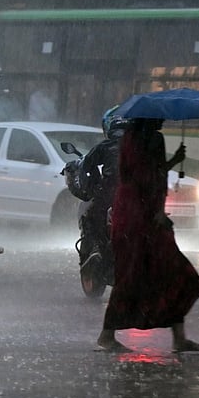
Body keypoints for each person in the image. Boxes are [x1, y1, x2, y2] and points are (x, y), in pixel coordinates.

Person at [96, 117, 199, 353]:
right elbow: (151, 177)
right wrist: (156, 211)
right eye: (160, 115)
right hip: (144, 217)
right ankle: (108, 335)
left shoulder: (129, 138)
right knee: (167, 274)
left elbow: (145, 171)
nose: (164, 118)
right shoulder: (153, 138)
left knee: (144, 274)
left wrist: (173, 161)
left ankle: (177, 337)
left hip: (129, 213)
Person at [77, 106, 129, 273]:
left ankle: (96, 249)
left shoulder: (105, 146)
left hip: (111, 192)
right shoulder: (143, 148)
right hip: (138, 195)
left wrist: (92, 186)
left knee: (91, 217)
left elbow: (86, 165)